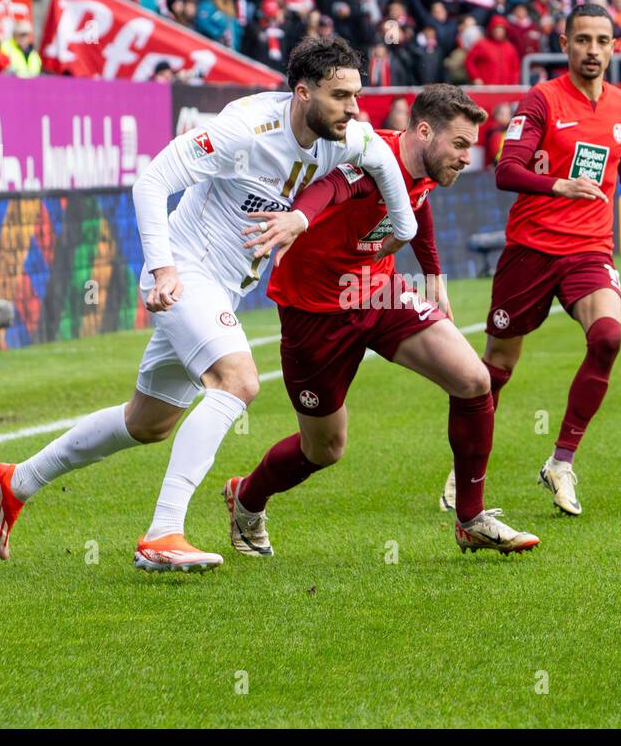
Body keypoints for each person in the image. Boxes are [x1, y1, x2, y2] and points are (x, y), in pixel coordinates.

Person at [0, 36, 417, 572]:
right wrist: (162, 266)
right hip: (185, 275)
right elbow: (152, 181)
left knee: (148, 423)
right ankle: (163, 533)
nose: (354, 109)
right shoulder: (244, 130)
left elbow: (396, 191)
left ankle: (16, 480)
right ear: (302, 93)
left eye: (357, 95)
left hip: (223, 288)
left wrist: (399, 230)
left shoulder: (352, 136)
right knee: (238, 381)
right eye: (340, 95)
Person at [222, 84, 540, 557]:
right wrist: (298, 220)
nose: (464, 158)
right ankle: (246, 497)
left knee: (474, 380)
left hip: (379, 293)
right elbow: (333, 186)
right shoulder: (373, 157)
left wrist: (433, 274)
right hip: (316, 312)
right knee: (324, 449)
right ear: (424, 131)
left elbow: (418, 203)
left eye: (469, 148)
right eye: (458, 145)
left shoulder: (423, 165)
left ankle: (471, 519)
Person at [440, 4, 621, 517]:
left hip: (589, 250)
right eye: (583, 41)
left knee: (608, 338)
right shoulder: (541, 99)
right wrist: (559, 186)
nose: (592, 50)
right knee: (496, 369)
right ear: (565, 43)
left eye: (602, 41)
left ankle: (561, 462)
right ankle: (464, 472)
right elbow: (507, 170)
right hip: (530, 250)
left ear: (615, 46)